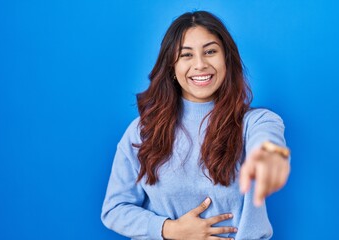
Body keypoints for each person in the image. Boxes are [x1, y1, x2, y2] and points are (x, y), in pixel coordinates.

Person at [101, 10, 290, 240]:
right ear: (171, 66)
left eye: (210, 51)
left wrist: (270, 158)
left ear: (227, 59)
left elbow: (268, 144)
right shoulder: (143, 130)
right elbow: (114, 209)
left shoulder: (256, 122)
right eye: (186, 55)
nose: (200, 64)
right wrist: (171, 229)